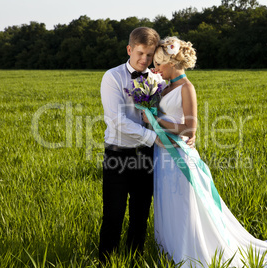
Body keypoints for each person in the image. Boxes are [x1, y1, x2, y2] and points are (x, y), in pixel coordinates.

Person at [142, 36, 267, 267]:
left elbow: (190, 128)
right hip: (162, 154)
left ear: (172, 63)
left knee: (183, 205)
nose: (155, 68)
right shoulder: (165, 85)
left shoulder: (187, 88)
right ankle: (171, 252)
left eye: (159, 64)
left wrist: (156, 119)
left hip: (178, 154)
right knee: (167, 201)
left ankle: (192, 252)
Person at [98, 27, 164, 263]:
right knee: (113, 215)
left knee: (140, 214)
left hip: (146, 156)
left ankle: (135, 260)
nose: (144, 60)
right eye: (139, 53)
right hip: (118, 155)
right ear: (129, 49)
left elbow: (161, 113)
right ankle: (106, 261)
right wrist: (153, 138)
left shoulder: (156, 79)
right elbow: (116, 121)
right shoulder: (112, 77)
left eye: (149, 55)